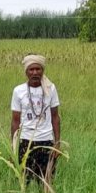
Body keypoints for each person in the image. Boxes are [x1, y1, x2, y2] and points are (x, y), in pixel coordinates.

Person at [10, 54, 61, 185]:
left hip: (46, 140)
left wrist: (57, 143)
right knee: (25, 179)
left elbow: (55, 117)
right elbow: (15, 120)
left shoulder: (50, 88)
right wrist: (13, 146)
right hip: (26, 141)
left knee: (47, 179)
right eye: (31, 70)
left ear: (43, 70)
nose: (35, 73)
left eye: (38, 69)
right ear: (26, 72)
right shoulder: (18, 91)